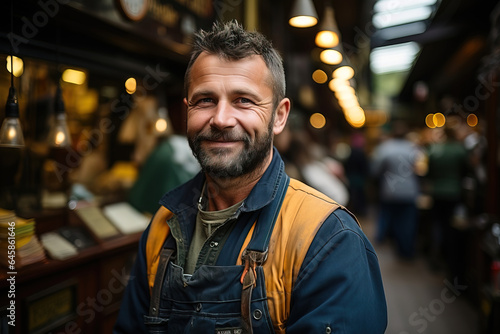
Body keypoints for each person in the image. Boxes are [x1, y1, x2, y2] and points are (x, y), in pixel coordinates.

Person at [114, 20, 387, 334]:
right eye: (205, 100)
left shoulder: (329, 239)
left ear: (279, 116)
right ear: (187, 110)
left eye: (244, 100)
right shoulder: (163, 224)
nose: (220, 119)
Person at [371, 120, 421, 259]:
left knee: (388, 216)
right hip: (410, 190)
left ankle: (386, 241)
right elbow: (421, 169)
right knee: (408, 221)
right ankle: (407, 250)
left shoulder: (385, 148)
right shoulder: (413, 148)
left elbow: (375, 170)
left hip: (390, 190)